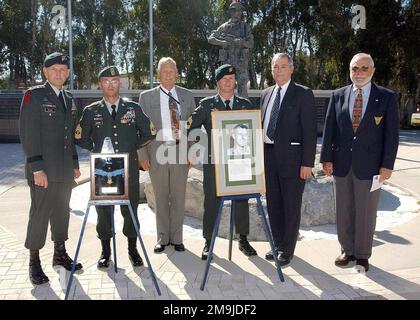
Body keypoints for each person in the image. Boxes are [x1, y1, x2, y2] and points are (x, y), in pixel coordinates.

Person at [321, 53, 399, 272]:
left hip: (371, 166)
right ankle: (347, 251)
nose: (359, 73)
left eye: (364, 68)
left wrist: (387, 165)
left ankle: (363, 255)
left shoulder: (386, 97)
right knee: (343, 210)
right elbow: (330, 130)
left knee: (366, 211)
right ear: (350, 71)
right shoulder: (338, 95)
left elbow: (391, 135)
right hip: (342, 164)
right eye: (355, 68)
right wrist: (326, 158)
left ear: (373, 71)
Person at [75, 66, 156, 268]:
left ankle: (132, 249)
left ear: (120, 83)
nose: (111, 85)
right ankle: (105, 252)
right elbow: (80, 137)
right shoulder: (91, 111)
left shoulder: (133, 109)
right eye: (106, 81)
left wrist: (130, 148)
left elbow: (149, 133)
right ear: (100, 84)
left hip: (128, 168)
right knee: (103, 211)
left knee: (130, 211)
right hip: (102, 169)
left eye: (114, 81)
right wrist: (96, 150)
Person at [19, 52, 83, 285]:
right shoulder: (33, 96)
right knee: (39, 215)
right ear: (45, 72)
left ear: (67, 73)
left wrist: (75, 164)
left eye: (63, 70)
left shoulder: (70, 98)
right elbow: (28, 134)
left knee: (62, 213)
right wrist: (36, 168)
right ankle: (34, 261)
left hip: (64, 171)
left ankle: (60, 253)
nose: (59, 73)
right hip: (43, 171)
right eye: (54, 69)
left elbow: (70, 137)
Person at [187, 64, 257, 260]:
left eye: (231, 78)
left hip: (239, 164)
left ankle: (243, 239)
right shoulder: (207, 105)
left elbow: (253, 134)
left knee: (242, 200)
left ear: (235, 81)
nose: (228, 82)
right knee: (211, 202)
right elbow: (189, 127)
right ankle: (209, 242)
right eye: (224, 79)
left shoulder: (245, 105)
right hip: (214, 164)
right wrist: (193, 149)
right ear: (217, 82)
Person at [261, 53, 317, 267]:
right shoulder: (266, 93)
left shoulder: (303, 94)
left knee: (291, 206)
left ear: (291, 69)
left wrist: (308, 163)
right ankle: (276, 245)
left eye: (283, 66)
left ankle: (287, 249)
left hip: (293, 162)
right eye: (275, 66)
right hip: (268, 157)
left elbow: (310, 132)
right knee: (273, 204)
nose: (279, 70)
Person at [138, 57, 196, 253]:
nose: (169, 74)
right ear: (158, 73)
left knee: (179, 197)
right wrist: (142, 155)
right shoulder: (146, 97)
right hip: (157, 153)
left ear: (177, 73)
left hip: (181, 152)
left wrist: (193, 152)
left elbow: (194, 127)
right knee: (161, 196)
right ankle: (162, 238)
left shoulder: (187, 96)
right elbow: (141, 129)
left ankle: (177, 238)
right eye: (165, 71)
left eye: (172, 71)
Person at [208, 1, 253, 98]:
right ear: (231, 12)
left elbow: (250, 44)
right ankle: (223, 110)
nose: (239, 13)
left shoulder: (245, 27)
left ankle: (244, 110)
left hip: (240, 61)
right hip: (227, 61)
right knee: (224, 86)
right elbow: (210, 39)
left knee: (242, 87)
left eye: (240, 11)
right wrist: (222, 43)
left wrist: (241, 42)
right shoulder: (224, 27)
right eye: (236, 11)